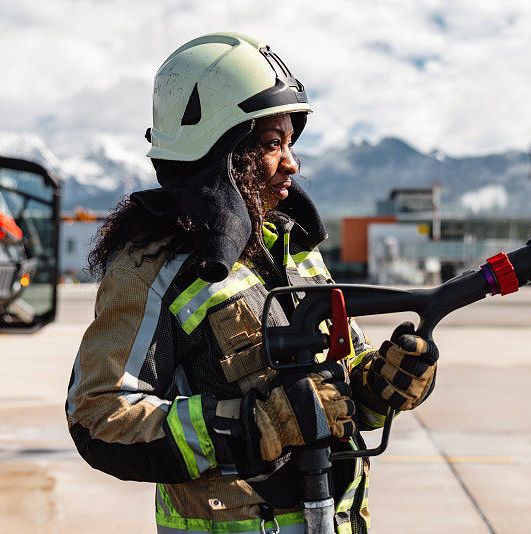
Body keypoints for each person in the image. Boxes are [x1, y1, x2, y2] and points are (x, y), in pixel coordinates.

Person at [65, 32, 440, 534]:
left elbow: (334, 393)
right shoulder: (152, 266)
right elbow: (99, 417)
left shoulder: (292, 250)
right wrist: (252, 426)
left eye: (291, 142)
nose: (293, 162)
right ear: (220, 151)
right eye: (271, 144)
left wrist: (380, 385)